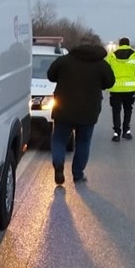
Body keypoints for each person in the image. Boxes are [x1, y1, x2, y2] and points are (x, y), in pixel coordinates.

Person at [46, 37, 115, 185]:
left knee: (59, 139)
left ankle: (58, 163)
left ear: (78, 46)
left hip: (63, 109)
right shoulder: (101, 64)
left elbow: (50, 75)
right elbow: (110, 82)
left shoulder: (65, 61)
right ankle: (78, 174)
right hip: (88, 111)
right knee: (83, 142)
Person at [106, 37, 135, 140]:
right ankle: (126, 131)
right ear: (129, 44)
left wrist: (105, 85)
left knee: (116, 110)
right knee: (128, 109)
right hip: (129, 89)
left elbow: (106, 71)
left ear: (119, 44)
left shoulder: (112, 56)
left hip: (115, 89)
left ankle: (116, 133)